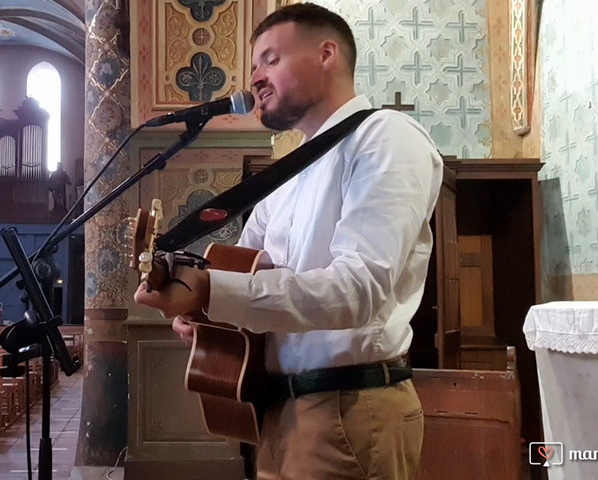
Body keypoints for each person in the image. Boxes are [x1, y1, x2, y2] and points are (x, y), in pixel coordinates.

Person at [134, 4, 443, 479]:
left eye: (270, 59)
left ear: (326, 53)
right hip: (278, 411)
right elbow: (243, 275)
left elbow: (359, 289)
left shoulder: (384, 138)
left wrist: (214, 293)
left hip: (350, 408)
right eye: (254, 65)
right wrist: (203, 314)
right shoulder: (288, 172)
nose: (255, 78)